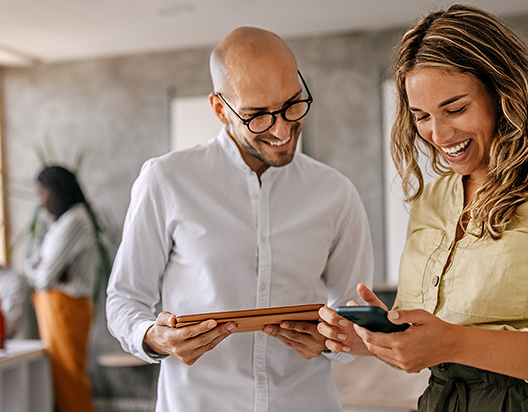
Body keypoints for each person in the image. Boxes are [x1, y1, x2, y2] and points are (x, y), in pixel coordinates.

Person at [318, 5, 528, 411]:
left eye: (455, 109)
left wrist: (454, 342)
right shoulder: (432, 199)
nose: (438, 134)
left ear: (504, 92)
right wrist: (371, 340)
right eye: (421, 116)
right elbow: (430, 334)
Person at [106, 27, 374, 412]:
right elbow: (125, 298)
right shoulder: (167, 179)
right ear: (220, 109)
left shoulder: (337, 192)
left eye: (292, 104)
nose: (281, 129)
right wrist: (153, 336)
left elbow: (354, 316)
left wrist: (337, 340)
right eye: (257, 116)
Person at [24, 165, 100, 412]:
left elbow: (42, 276)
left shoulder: (75, 220)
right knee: (61, 379)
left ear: (56, 191)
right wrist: (46, 271)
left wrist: (42, 270)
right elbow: (32, 264)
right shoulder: (60, 223)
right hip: (56, 307)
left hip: (66, 308)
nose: (41, 200)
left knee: (69, 378)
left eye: (43, 192)